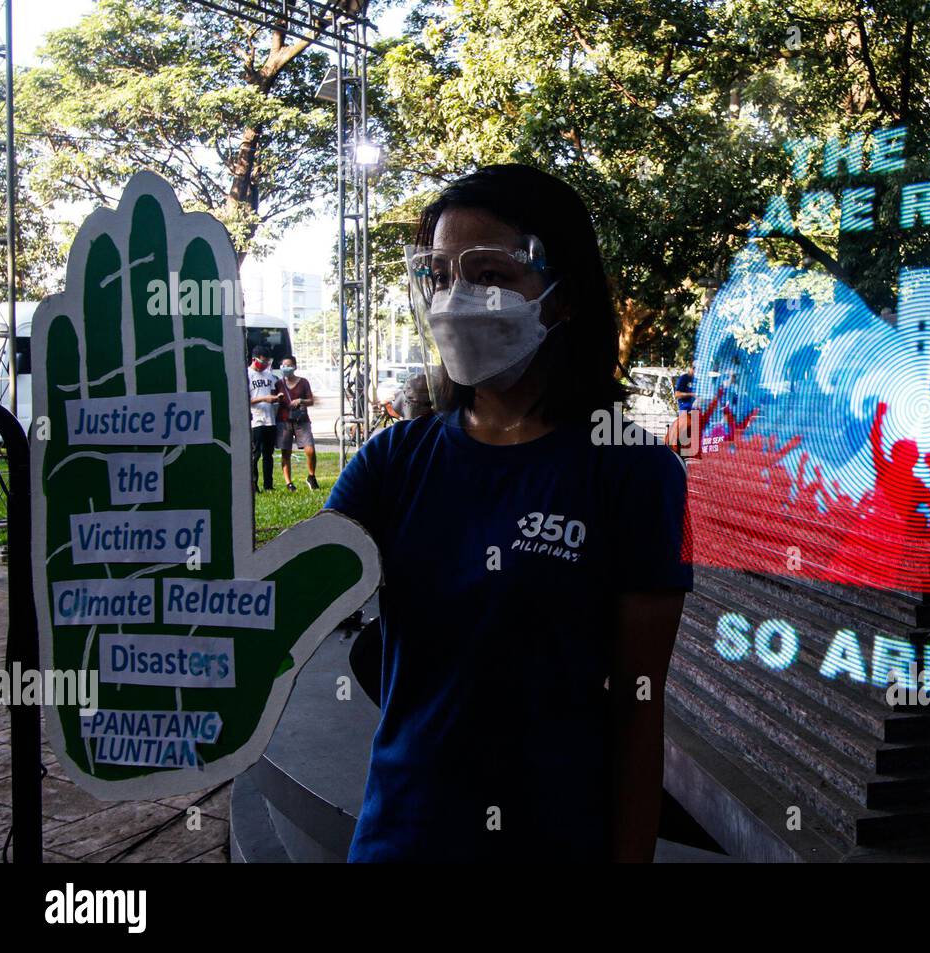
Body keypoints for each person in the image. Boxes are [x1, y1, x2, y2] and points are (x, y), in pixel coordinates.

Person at [326, 163, 692, 863]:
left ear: (564, 297)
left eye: (489, 273)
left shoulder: (633, 474)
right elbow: (291, 599)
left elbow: (638, 709)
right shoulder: (392, 463)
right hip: (398, 840)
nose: (456, 299)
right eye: (439, 273)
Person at [275, 355, 319, 492]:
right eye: (283, 365)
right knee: (285, 452)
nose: (285, 368)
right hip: (284, 421)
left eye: (288, 365)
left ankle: (311, 476)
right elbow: (274, 400)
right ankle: (289, 483)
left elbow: (311, 401)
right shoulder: (278, 384)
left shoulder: (303, 382)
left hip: (302, 420)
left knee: (310, 450)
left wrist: (301, 401)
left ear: (294, 367)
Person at [247, 344, 280, 492]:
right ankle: (253, 484)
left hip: (270, 419)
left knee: (268, 454)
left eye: (267, 362)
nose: (265, 365)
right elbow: (245, 400)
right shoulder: (247, 375)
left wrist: (275, 398)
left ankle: (268, 485)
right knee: (256, 454)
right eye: (263, 361)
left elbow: (273, 393)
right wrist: (264, 399)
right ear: (254, 359)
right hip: (256, 419)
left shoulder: (269, 375)